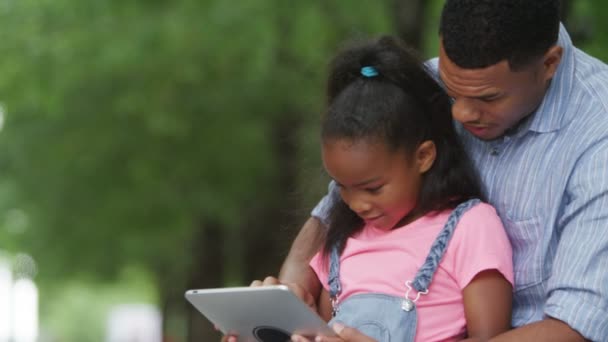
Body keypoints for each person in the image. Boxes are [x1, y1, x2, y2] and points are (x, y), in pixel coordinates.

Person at [281, 1, 608, 341]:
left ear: (549, 63)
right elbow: (339, 202)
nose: (461, 114)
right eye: (453, 91)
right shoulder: (422, 88)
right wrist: (291, 287)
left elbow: (575, 328)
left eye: (488, 98)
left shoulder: (598, 137)